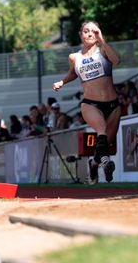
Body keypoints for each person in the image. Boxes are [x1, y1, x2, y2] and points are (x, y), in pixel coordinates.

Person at [52, 21, 121, 184]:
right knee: (101, 130)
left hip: (113, 105)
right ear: (81, 35)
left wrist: (102, 40)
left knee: (107, 141)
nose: (90, 34)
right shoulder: (74, 57)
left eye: (93, 31)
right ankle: (106, 162)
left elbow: (117, 61)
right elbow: (73, 73)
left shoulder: (103, 50)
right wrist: (62, 82)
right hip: (90, 104)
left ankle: (94, 163)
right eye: (86, 31)